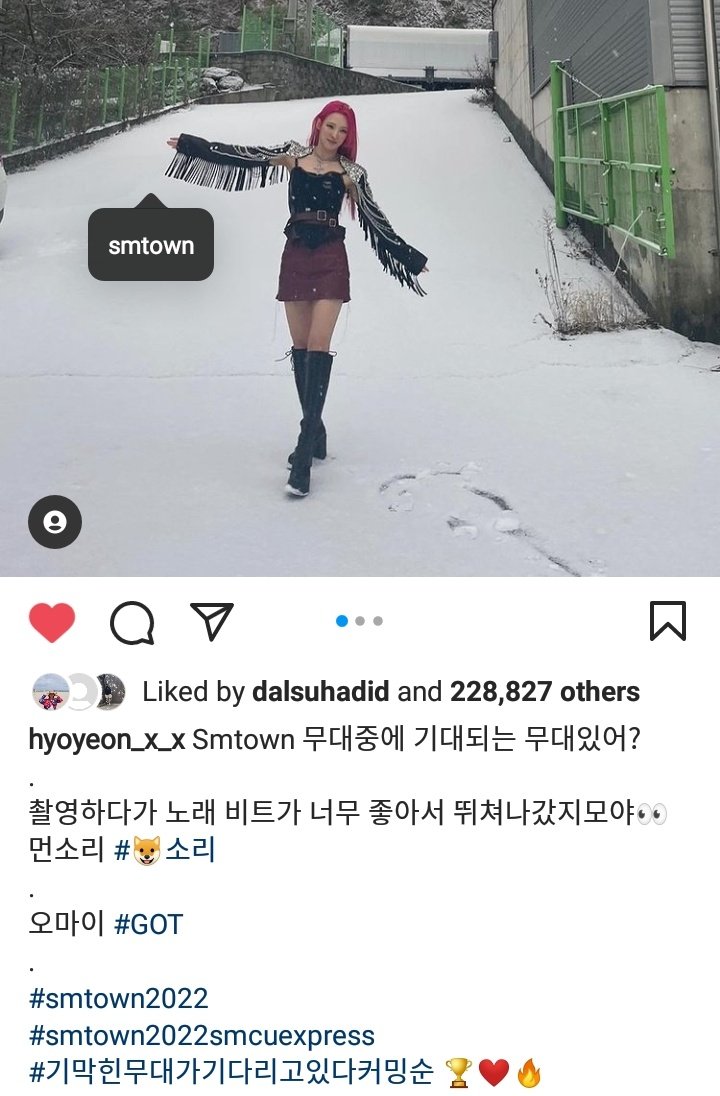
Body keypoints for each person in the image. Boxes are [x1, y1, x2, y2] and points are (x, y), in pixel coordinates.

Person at [166, 100, 428, 497]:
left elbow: (378, 222)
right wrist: (192, 145)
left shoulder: (352, 174)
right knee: (302, 349)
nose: (335, 135)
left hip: (331, 258)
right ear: (319, 124)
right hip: (296, 255)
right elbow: (243, 156)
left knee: (319, 347)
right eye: (331, 126)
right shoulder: (292, 154)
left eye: (343, 131)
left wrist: (410, 258)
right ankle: (317, 429)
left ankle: (304, 450)